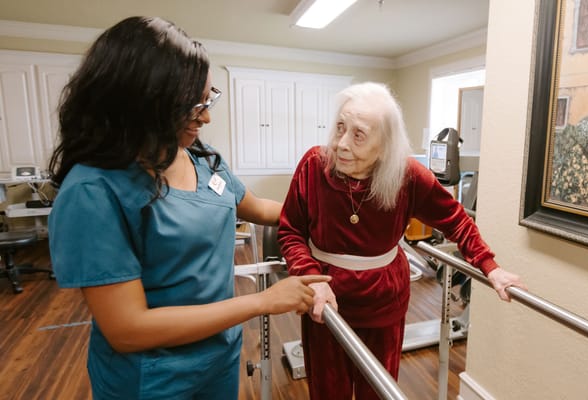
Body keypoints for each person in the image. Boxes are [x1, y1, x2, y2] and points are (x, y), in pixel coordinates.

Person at [47, 16, 330, 399]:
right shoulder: (93, 191)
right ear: (143, 104)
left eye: (209, 97)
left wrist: (328, 213)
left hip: (218, 360)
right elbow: (129, 329)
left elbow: (259, 208)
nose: (207, 116)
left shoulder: (201, 157)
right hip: (153, 379)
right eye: (192, 105)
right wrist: (262, 302)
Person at [278, 82, 526, 399]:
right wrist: (311, 279)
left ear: (384, 145)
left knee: (379, 390)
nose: (340, 144)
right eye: (340, 127)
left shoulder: (407, 176)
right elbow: (290, 230)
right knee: (328, 392)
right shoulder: (314, 166)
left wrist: (490, 267)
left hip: (384, 300)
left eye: (358, 134)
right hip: (325, 299)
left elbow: (456, 220)